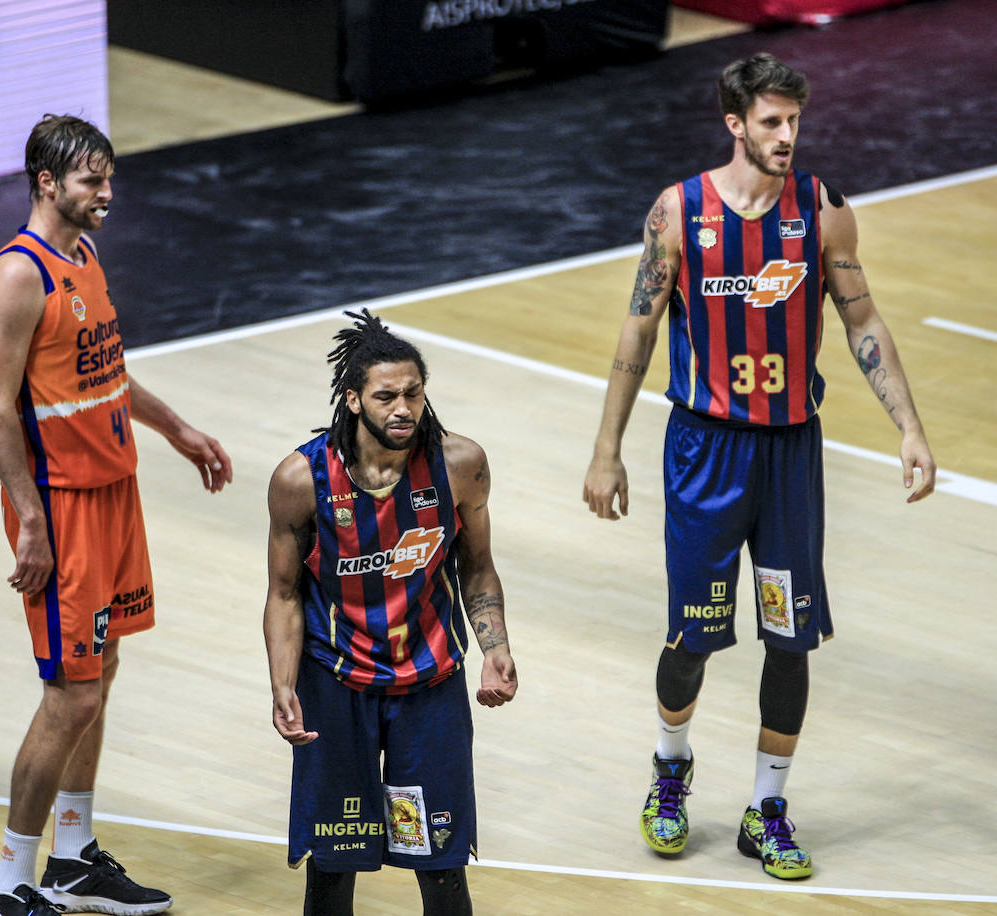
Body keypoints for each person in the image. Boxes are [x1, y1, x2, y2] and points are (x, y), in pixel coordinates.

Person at [582, 53, 936, 880]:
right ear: (735, 124)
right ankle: (671, 769)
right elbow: (638, 333)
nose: (788, 137)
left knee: (790, 636)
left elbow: (861, 320)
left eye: (796, 122)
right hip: (705, 450)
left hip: (788, 454)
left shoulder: (822, 210)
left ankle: (766, 809)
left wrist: (909, 428)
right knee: (693, 638)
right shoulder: (679, 212)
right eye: (772, 122)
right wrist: (607, 452)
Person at [0, 114, 232, 916]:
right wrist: (30, 519)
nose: (107, 193)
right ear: (47, 183)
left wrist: (176, 428)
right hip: (63, 508)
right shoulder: (16, 277)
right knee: (72, 694)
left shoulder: (83, 256)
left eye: (109, 178)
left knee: (103, 671)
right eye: (93, 180)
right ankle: (10, 884)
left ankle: (74, 856)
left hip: (115, 487)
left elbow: (105, 373)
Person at [263, 309, 518, 915]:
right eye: (386, 396)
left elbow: (477, 566)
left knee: (441, 868)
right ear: (352, 399)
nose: (403, 408)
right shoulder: (302, 479)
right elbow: (283, 593)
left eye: (413, 393)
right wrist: (281, 682)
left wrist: (496, 648)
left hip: (429, 686)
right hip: (336, 686)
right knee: (333, 868)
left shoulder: (459, 465)